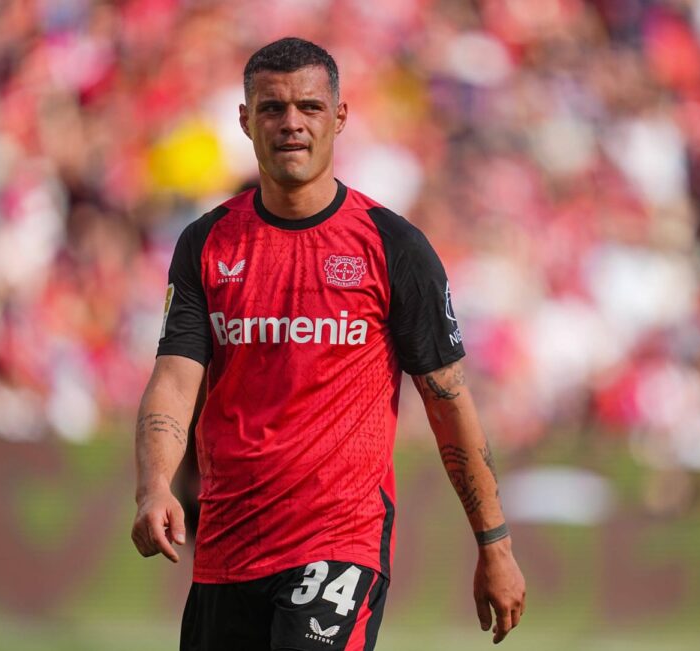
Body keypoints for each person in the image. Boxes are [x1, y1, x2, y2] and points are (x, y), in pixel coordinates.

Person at [130, 37, 526, 650]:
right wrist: (155, 485)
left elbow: (448, 401)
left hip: (339, 544)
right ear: (245, 120)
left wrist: (494, 544)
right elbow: (175, 380)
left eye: (310, 107)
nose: (291, 123)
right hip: (227, 546)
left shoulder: (393, 246)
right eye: (273, 108)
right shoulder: (206, 243)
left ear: (339, 117)